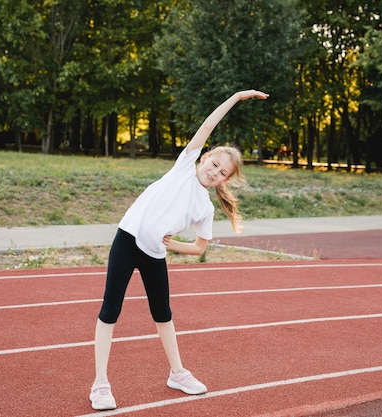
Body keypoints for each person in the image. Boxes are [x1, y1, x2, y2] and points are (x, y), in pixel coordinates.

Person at [89, 89, 269, 410]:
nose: (214, 172)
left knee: (163, 315)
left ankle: (177, 373)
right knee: (110, 310)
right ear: (204, 157)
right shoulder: (185, 165)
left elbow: (200, 248)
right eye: (214, 164)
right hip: (128, 239)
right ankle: (101, 383)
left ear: (223, 180)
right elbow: (209, 125)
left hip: (154, 254)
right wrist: (236, 98)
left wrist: (173, 246)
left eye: (222, 173)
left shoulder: (206, 208)